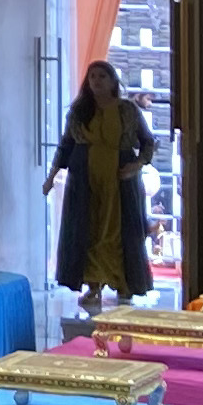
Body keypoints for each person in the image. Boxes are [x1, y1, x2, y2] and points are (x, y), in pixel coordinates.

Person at [47, 60, 157, 309]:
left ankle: (123, 283)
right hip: (86, 182)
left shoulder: (127, 111)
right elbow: (66, 146)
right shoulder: (79, 113)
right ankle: (93, 285)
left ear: (112, 81)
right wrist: (51, 176)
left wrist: (136, 165)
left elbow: (147, 142)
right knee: (90, 230)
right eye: (93, 76)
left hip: (120, 182)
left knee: (119, 232)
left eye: (102, 76)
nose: (96, 81)